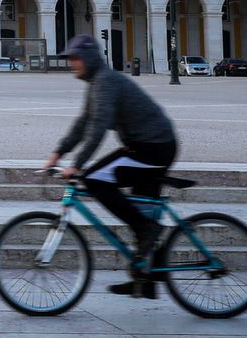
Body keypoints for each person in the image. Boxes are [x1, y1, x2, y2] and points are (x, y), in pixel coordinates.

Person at [44, 34, 178, 298]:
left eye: (75, 58)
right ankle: (146, 279)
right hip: (146, 146)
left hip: (153, 147)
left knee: (94, 179)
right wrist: (58, 152)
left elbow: (97, 128)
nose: (72, 64)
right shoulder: (97, 83)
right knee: (142, 211)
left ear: (90, 59)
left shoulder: (105, 82)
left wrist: (77, 165)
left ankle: (147, 233)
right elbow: (83, 123)